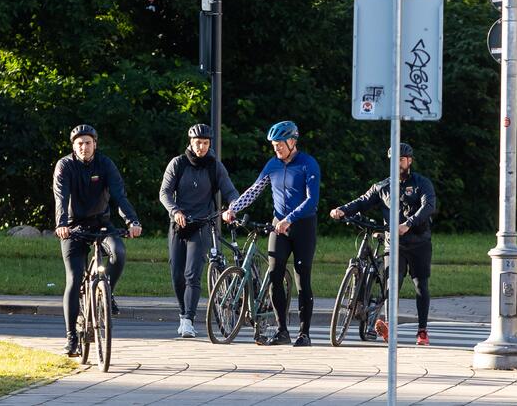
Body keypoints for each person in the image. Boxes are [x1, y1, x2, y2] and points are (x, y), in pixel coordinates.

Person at [222, 120, 320, 347]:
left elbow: (311, 200)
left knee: (301, 277)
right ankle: (282, 330)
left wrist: (290, 219)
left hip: (303, 225)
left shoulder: (308, 164)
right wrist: (233, 208)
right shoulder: (272, 165)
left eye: (280, 144)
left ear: (292, 142)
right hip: (279, 225)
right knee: (275, 275)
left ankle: (304, 333)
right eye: (274, 145)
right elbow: (255, 190)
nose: (276, 149)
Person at [329, 143, 436, 346]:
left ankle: (422, 331)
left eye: (402, 159)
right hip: (393, 244)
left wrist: (408, 224)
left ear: (409, 161)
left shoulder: (422, 183)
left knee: (420, 285)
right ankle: (389, 327)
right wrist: (342, 210)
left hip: (419, 243)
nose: (398, 163)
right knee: (390, 285)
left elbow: (428, 206)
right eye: (394, 160)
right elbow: (363, 201)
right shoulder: (383, 186)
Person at [53, 124, 143, 356]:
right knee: (74, 279)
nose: (84, 147)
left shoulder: (105, 164)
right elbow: (60, 197)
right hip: (73, 228)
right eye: (80, 143)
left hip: (101, 224)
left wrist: (132, 221)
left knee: (119, 252)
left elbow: (119, 195)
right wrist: (61, 224)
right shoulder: (65, 166)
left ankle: (107, 291)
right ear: (74, 146)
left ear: (95, 144)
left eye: (88, 143)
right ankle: (72, 337)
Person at [159, 123, 239, 338]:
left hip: (203, 224)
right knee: (177, 274)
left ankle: (188, 320)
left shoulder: (215, 166)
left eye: (205, 143)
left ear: (209, 144)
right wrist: (175, 211)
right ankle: (183, 312)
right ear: (190, 142)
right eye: (198, 142)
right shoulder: (178, 164)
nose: (201, 147)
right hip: (180, 223)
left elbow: (230, 191)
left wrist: (232, 207)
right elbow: (164, 193)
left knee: (192, 273)